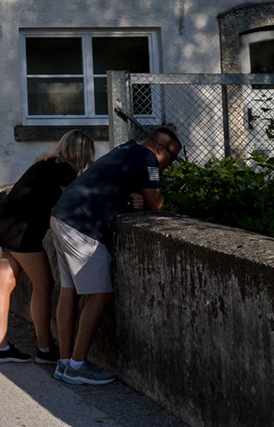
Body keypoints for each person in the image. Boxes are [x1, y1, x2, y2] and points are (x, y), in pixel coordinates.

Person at [48, 125, 184, 386]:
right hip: (83, 225)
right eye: (172, 157)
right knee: (100, 295)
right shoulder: (147, 158)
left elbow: (116, 189)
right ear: (159, 149)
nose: (171, 164)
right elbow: (156, 205)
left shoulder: (126, 150)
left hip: (63, 215)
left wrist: (131, 198)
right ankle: (77, 366)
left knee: (69, 291)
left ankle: (64, 363)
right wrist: (143, 197)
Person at [0, 130, 97, 365]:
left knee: (3, 284)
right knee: (44, 284)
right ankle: (45, 349)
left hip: (4, 222)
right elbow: (75, 203)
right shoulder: (64, 170)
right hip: (22, 231)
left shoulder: (44, 164)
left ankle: (1, 347)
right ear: (82, 152)